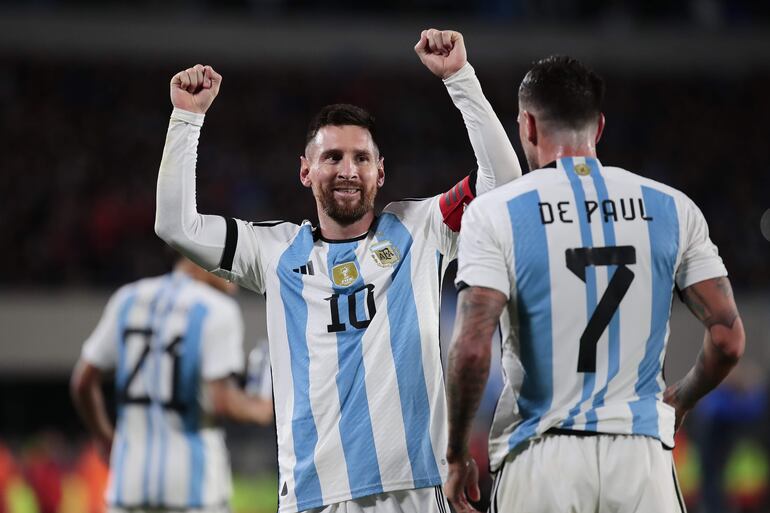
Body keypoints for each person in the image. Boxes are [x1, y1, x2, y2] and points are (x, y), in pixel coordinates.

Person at [154, 29, 521, 513]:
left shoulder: (420, 228)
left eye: (361, 158)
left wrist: (460, 78)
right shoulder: (275, 252)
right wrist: (187, 119)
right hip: (314, 498)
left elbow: (504, 182)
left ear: (380, 172)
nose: (348, 169)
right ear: (306, 171)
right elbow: (175, 225)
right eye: (332, 157)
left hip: (410, 490)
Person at [445, 55, 746, 512]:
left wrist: (457, 452)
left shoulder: (498, 212)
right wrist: (680, 399)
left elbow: (470, 348)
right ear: (599, 127)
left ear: (527, 125)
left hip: (541, 458)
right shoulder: (671, 207)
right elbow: (727, 339)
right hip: (641, 456)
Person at [71, 256, 274, 513]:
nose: (236, 274)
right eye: (229, 260)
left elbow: (82, 382)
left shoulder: (128, 299)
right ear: (197, 255)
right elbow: (222, 401)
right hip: (195, 488)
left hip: (129, 483)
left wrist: (106, 440)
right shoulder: (217, 310)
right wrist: (262, 409)